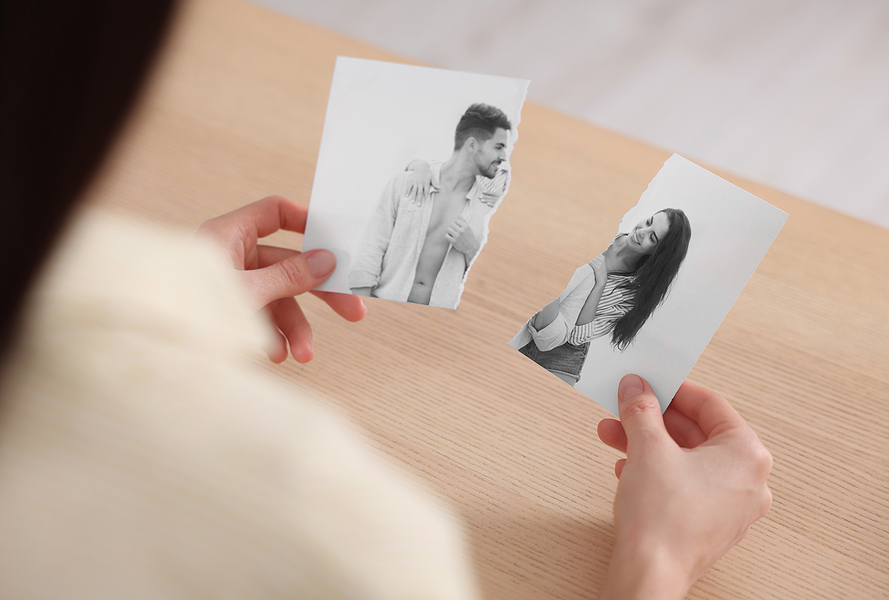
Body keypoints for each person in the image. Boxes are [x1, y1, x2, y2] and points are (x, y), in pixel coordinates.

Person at [0, 2, 771, 598]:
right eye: (498, 149)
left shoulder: (487, 231)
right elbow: (431, 283)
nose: (505, 162)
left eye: (650, 230)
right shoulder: (343, 533)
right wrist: (659, 559)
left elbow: (545, 327)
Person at [349, 103, 511, 308]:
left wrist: (472, 249)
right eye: (498, 147)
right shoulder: (406, 183)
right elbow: (371, 248)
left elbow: (497, 280)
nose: (504, 156)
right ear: (472, 145)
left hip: (439, 320)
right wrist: (362, 306)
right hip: (384, 304)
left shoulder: (490, 205)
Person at [510, 209, 691, 385]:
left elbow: (578, 337)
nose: (641, 231)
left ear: (658, 253)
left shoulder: (632, 293)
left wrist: (600, 283)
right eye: (648, 222)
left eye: (652, 237)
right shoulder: (605, 232)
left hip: (564, 352)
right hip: (535, 321)